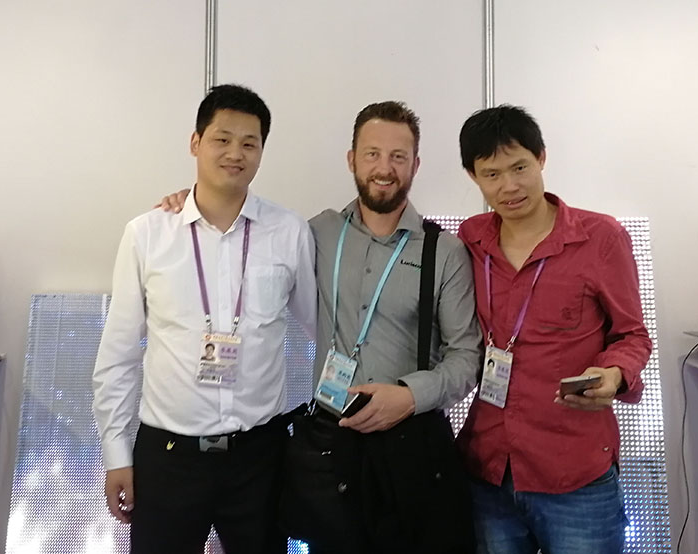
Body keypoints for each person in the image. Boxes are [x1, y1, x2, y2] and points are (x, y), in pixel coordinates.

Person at [157, 100, 482, 554]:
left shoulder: (444, 251)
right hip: (330, 446)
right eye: (372, 154)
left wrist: (410, 396)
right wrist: (193, 200)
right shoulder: (313, 233)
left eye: (398, 156)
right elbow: (238, 231)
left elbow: (467, 357)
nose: (384, 168)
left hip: (410, 448)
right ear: (352, 160)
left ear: (416, 164)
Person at [92, 84, 316, 554]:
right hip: (169, 457)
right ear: (195, 143)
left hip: (261, 457)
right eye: (222, 139)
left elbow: (323, 328)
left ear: (261, 152)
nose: (235, 153)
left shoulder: (289, 231)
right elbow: (118, 354)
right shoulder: (147, 234)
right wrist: (116, 453)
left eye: (249, 143)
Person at [455, 104, 652, 554]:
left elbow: (632, 335)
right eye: (491, 174)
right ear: (473, 177)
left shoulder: (601, 237)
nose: (509, 186)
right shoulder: (470, 239)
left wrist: (614, 374)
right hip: (488, 468)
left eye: (519, 167)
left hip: (573, 471)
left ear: (541, 157)